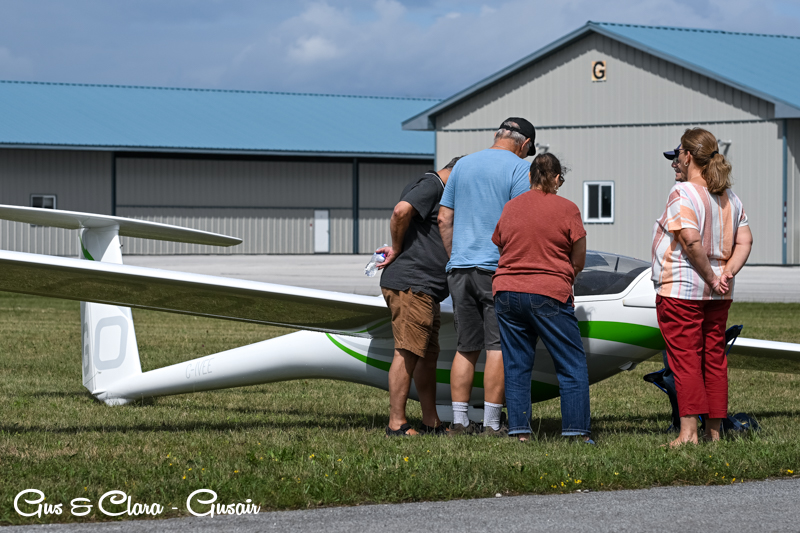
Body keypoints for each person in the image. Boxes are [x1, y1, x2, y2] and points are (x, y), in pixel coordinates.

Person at [653, 128, 753, 447]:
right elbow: (745, 241)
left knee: (686, 360)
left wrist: (710, 276)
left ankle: (688, 434)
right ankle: (714, 431)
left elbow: (690, 240)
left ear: (687, 156)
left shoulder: (682, 193)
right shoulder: (731, 198)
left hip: (683, 289)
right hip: (720, 292)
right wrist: (726, 274)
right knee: (714, 358)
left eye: (678, 154)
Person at [437, 118, 534, 435]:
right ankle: (492, 423)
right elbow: (521, 222)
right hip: (496, 270)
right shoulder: (520, 169)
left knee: (466, 347)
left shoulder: (462, 165)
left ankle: (460, 421)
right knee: (497, 347)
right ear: (525, 144)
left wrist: (455, 256)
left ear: (497, 135)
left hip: (460, 269)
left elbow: (444, 218)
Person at [491, 153, 592, 442]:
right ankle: (576, 432)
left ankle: (520, 432)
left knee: (516, 365)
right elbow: (579, 259)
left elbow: (501, 247)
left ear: (530, 176)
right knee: (571, 364)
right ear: (557, 178)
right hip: (548, 292)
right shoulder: (568, 209)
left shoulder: (511, 207)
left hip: (507, 291)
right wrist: (562, 277)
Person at [377, 156, 463, 436]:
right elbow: (400, 211)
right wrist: (396, 247)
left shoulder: (437, 189)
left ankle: (431, 422)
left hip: (427, 288)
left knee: (427, 355)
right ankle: (396, 424)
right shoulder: (433, 184)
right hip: (413, 283)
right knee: (409, 351)